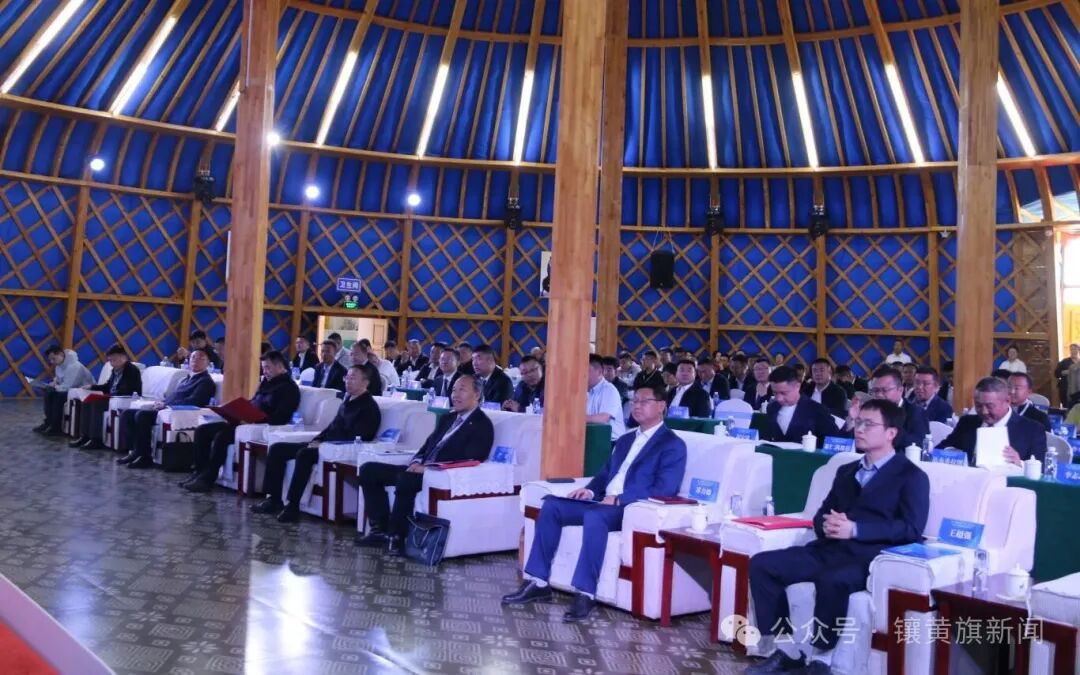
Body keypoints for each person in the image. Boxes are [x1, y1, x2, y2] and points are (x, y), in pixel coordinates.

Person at [747, 400, 929, 675]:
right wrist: (827, 525)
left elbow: (911, 528)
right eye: (858, 422)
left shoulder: (911, 476)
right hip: (828, 548)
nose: (859, 429)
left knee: (832, 580)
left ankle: (823, 658)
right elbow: (821, 514)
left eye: (868, 424)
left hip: (867, 557)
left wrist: (855, 530)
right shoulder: (847, 470)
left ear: (891, 433)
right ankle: (787, 649)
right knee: (763, 565)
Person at [502, 382, 687, 622]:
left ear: (661, 406)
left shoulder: (672, 444)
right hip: (602, 502)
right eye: (635, 401)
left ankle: (585, 593)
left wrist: (620, 499)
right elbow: (605, 474)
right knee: (552, 506)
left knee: (595, 516)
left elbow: (665, 488)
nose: (637, 406)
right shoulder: (625, 440)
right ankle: (538, 582)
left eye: (644, 401)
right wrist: (589, 491)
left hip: (629, 508)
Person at [355, 375, 493, 552]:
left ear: (477, 394)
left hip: (439, 475)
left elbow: (471, 460)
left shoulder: (482, 425)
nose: (455, 395)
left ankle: (396, 536)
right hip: (419, 469)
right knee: (368, 470)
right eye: (454, 390)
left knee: (406, 480)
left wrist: (427, 469)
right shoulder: (448, 418)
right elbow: (427, 445)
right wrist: (417, 461)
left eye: (462, 390)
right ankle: (379, 530)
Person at [252, 366, 381, 522]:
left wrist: (325, 445)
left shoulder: (369, 407)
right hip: (324, 444)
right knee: (277, 448)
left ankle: (292, 506)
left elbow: (361, 436)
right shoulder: (348, 401)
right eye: (346, 377)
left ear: (366, 382)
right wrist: (318, 439)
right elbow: (332, 426)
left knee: (304, 454)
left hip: (337, 449)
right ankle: (273, 499)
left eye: (352, 378)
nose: (347, 381)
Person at [181, 351, 300, 493]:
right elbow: (255, 402)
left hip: (259, 426)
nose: (264, 371)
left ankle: (208, 479)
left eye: (268, 368)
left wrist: (254, 420)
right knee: (203, 430)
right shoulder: (266, 383)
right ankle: (199, 472)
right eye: (263, 368)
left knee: (222, 436)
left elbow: (281, 417)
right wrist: (234, 411)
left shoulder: (289, 389)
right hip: (244, 421)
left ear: (280, 366)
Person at [116, 349, 217, 468]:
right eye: (193, 357)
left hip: (176, 412)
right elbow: (174, 396)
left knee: (142, 416)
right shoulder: (186, 378)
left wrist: (166, 405)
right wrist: (162, 402)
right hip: (165, 409)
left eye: (201, 358)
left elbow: (194, 401)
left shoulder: (205, 381)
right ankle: (134, 451)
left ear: (208, 363)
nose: (196, 360)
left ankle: (145, 456)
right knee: (127, 414)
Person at [937, 377, 1046, 467]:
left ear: (1007, 401)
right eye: (978, 405)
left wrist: (1020, 464)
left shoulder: (1032, 430)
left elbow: (1042, 470)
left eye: (990, 406)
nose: (984, 411)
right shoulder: (967, 422)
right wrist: (954, 454)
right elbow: (941, 449)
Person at [69, 345, 142, 450]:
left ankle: (96, 439)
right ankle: (85, 436)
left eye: (114, 360)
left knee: (97, 403)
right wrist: (92, 387)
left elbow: (129, 389)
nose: (112, 363)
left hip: (123, 399)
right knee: (87, 401)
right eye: (110, 360)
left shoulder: (131, 370)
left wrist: (110, 394)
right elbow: (108, 386)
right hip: (112, 397)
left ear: (123, 357)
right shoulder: (115, 370)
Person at [845, 366, 929, 449]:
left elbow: (920, 444)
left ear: (900, 390)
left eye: (885, 390)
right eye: (875, 391)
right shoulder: (868, 410)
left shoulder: (915, 412)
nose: (879, 395)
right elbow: (845, 442)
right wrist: (853, 420)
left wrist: (884, 429)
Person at [761, 366, 839, 446]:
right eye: (775, 393)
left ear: (797, 386)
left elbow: (834, 440)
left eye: (784, 393)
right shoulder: (772, 407)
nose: (779, 398)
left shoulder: (817, 410)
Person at [33, 345, 93, 436]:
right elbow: (59, 381)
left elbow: (68, 386)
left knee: (59, 396)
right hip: (71, 390)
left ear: (60, 354)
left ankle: (56, 427)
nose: (52, 362)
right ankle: (48, 422)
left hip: (84, 392)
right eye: (50, 360)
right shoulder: (59, 366)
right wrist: (53, 383)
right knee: (49, 392)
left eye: (53, 358)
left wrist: (55, 387)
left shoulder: (74, 366)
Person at [587, 354, 626, 440]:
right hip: (593, 437)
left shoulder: (609, 390)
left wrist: (576, 419)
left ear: (600, 372)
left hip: (612, 441)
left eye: (586, 371)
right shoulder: (584, 391)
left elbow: (603, 418)